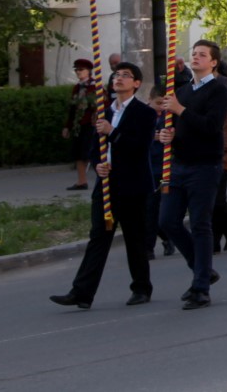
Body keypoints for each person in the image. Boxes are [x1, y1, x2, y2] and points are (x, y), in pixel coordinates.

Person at [51, 62, 155, 310]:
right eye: (116, 75)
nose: (118, 79)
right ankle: (82, 292)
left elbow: (139, 148)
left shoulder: (145, 113)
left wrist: (113, 132)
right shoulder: (104, 112)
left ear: (136, 83)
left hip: (132, 186)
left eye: (125, 76)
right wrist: (98, 165)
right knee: (98, 237)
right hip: (107, 186)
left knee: (134, 238)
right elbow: (95, 149)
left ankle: (141, 288)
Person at [154, 40, 227, 310]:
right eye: (194, 54)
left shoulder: (220, 88)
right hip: (179, 163)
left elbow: (212, 126)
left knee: (200, 223)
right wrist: (167, 135)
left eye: (202, 55)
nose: (196, 58)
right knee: (167, 220)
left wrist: (181, 111)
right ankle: (203, 269)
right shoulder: (183, 91)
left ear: (213, 62)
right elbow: (178, 125)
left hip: (205, 165)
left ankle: (201, 288)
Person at [63, 59, 98, 191]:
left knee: (91, 153)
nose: (78, 72)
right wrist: (68, 126)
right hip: (79, 125)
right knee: (78, 154)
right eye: (76, 70)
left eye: (81, 70)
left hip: (91, 125)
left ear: (88, 71)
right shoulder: (77, 88)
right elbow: (72, 109)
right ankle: (81, 181)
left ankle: (104, 180)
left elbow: (103, 105)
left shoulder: (95, 86)